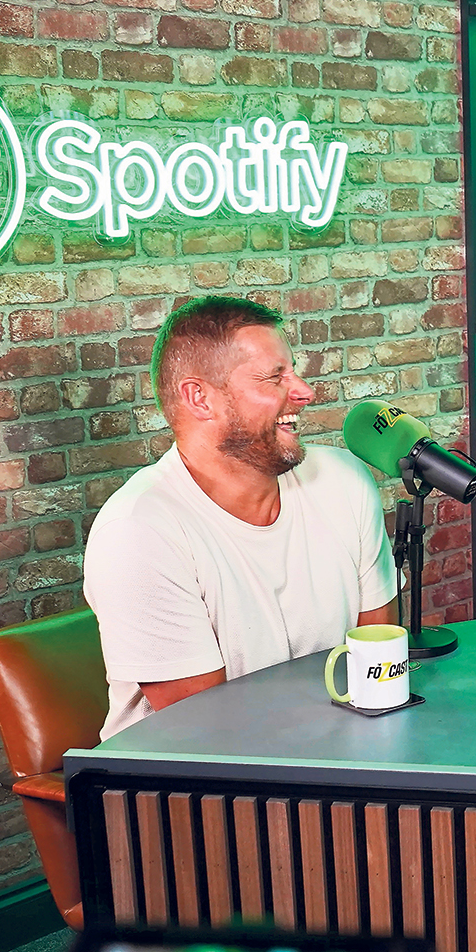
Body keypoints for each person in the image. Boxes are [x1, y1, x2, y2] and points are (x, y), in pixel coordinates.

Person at [84, 296, 398, 737]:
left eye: (293, 370)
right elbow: (208, 730)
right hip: (188, 772)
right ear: (200, 398)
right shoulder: (137, 531)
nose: (305, 391)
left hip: (330, 746)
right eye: (274, 377)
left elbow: (378, 670)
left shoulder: (343, 480)